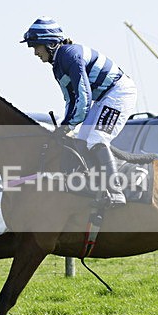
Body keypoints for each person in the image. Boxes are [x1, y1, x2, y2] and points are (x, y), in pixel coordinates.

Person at [21, 16, 137, 206]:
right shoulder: (57, 65)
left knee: (97, 139)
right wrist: (67, 125)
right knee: (82, 141)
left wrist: (67, 126)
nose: (35, 53)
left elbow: (83, 97)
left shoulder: (70, 56)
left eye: (36, 46)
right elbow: (70, 99)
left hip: (119, 93)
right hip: (103, 98)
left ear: (49, 44)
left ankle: (116, 192)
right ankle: (95, 188)